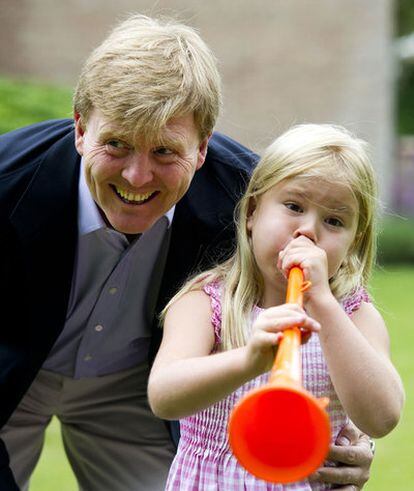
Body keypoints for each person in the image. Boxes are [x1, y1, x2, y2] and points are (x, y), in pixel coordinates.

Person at [0, 12, 374, 491]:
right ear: (80, 128)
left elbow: (335, 290)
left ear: (202, 147)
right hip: (12, 373)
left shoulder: (254, 202)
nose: (137, 177)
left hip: (141, 387)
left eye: (164, 152)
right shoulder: (8, 184)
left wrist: (354, 435)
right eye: (115, 144)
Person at [148, 123, 405, 490]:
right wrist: (250, 360)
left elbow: (382, 417)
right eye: (293, 206)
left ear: (354, 240)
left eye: (334, 221)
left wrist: (324, 305)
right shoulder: (206, 302)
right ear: (252, 212)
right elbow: (164, 397)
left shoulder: (354, 315)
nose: (308, 231)